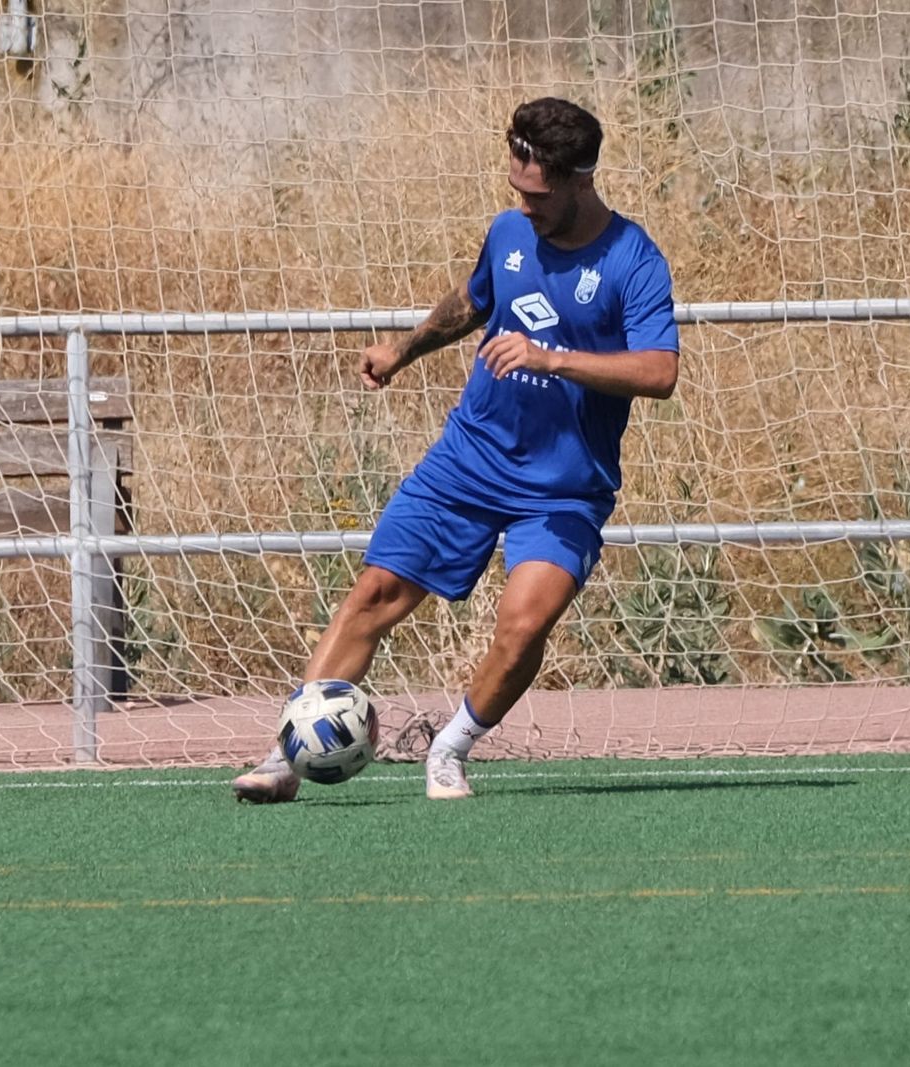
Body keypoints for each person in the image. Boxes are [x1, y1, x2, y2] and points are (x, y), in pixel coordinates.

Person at [232, 96, 679, 803]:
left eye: (536, 195)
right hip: (469, 458)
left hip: (564, 486)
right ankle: (288, 754)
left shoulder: (633, 259)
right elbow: (473, 302)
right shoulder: (507, 232)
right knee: (373, 594)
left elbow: (659, 371)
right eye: (516, 191)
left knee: (525, 621)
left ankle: (450, 749)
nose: (523, 206)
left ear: (577, 180)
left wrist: (552, 359)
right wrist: (403, 350)